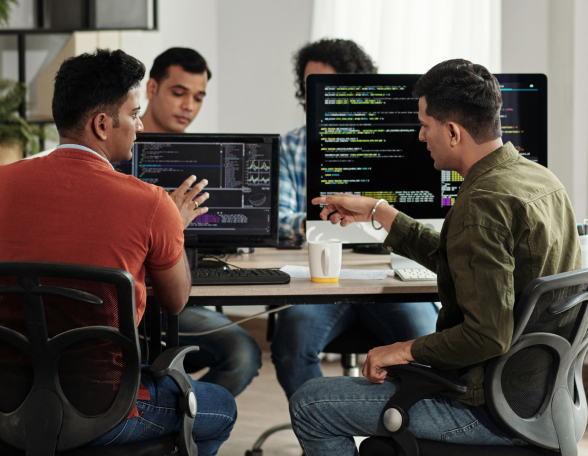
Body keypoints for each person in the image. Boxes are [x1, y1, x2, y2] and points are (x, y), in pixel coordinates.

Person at [288, 59, 582, 455]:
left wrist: (400, 349)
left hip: (488, 408)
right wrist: (383, 213)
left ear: (453, 132)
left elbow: (486, 335)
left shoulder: (481, 204)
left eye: (425, 125)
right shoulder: (540, 179)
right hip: (545, 400)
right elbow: (465, 265)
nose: (421, 136)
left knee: (311, 404)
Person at [0, 48, 236, 454]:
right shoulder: (150, 202)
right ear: (103, 124)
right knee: (221, 409)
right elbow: (176, 300)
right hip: (106, 407)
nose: (140, 125)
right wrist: (173, 227)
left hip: (8, 403)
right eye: (134, 114)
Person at [271, 38, 438, 400]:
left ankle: (399, 432)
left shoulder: (404, 144)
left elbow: (422, 219)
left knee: (430, 343)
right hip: (322, 279)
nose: (317, 96)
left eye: (328, 88)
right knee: (290, 345)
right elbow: (280, 219)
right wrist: (323, 222)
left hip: (393, 276)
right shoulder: (294, 146)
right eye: (309, 87)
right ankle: (326, 436)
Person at [140, 47, 261, 397]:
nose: (189, 106)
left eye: (198, 97)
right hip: (127, 301)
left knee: (243, 353)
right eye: (179, 93)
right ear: (151, 89)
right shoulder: (121, 151)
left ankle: (184, 424)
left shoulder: (202, 158)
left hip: (182, 296)